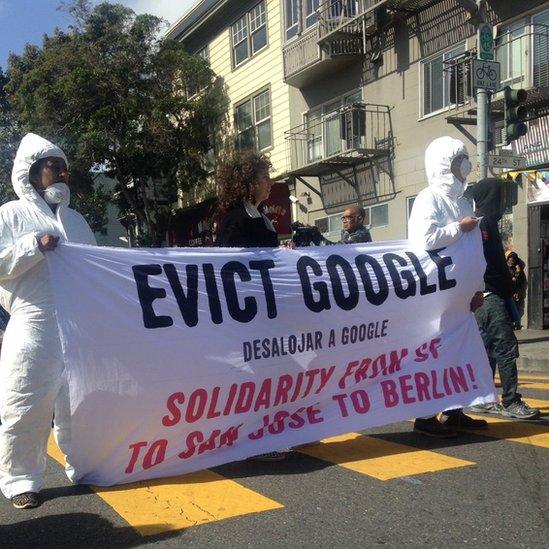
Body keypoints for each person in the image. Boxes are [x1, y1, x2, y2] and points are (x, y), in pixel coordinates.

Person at [0, 133, 97, 509]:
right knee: (25, 401)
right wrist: (33, 247)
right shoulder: (10, 214)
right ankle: (21, 479)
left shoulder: (74, 219)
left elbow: (96, 265)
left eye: (65, 169)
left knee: (81, 400)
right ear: (32, 172)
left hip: (77, 323)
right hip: (32, 321)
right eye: (54, 167)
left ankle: (84, 465)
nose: (62, 174)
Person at [407, 135, 487, 437]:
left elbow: (473, 249)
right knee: (434, 355)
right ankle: (425, 418)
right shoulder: (429, 198)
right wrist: (459, 227)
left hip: (460, 297)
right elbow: (424, 239)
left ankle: (455, 410)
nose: (464, 164)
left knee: (460, 352)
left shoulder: (464, 201)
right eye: (458, 159)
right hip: (436, 296)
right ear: (444, 164)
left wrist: (478, 286)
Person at [216, 150, 286, 461]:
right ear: (248, 183)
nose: (269, 183)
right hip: (249, 312)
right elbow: (232, 264)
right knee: (254, 375)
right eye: (263, 178)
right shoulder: (235, 218)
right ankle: (251, 439)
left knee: (269, 374)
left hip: (266, 310)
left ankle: (264, 433)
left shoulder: (260, 215)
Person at [469, 179, 539, 419]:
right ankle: (511, 401)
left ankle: (484, 399)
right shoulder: (483, 223)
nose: (505, 204)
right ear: (492, 198)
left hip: (485, 296)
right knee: (506, 348)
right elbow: (488, 263)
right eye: (501, 198)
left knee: (488, 349)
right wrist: (504, 286)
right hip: (491, 296)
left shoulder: (482, 221)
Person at [505, 250, 527, 329]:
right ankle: (510, 324)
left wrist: (518, 273)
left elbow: (521, 280)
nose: (512, 260)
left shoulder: (517, 268)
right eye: (510, 258)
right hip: (508, 292)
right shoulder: (505, 268)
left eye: (513, 258)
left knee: (518, 308)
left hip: (516, 292)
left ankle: (517, 323)